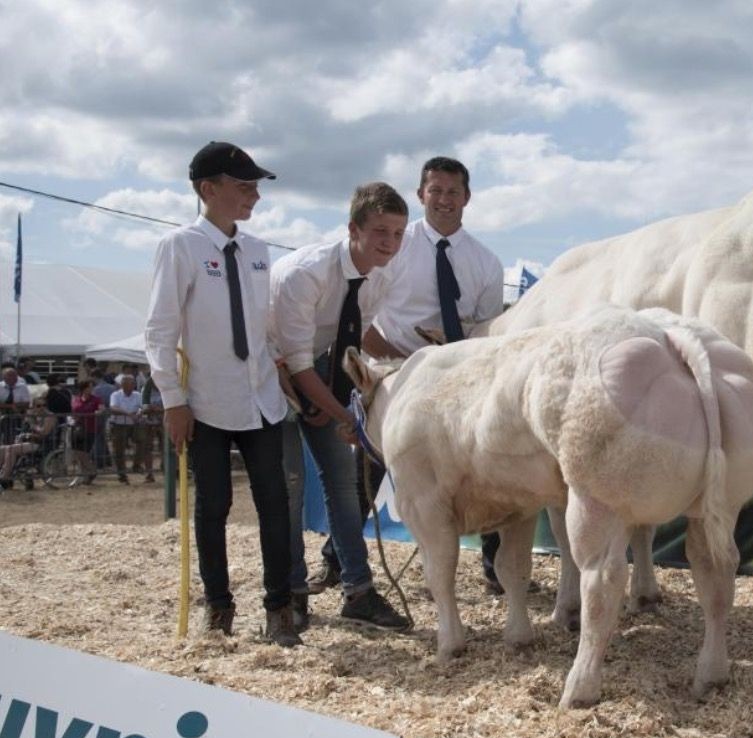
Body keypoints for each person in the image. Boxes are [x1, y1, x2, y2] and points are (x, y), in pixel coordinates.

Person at [145, 139, 300, 647]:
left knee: (275, 505)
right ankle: (219, 608)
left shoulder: (258, 251)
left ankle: (279, 609)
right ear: (207, 189)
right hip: (206, 400)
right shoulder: (181, 247)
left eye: (256, 186)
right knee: (213, 507)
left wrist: (280, 369)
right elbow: (160, 330)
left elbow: (263, 324)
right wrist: (172, 398)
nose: (254, 195)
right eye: (244, 186)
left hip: (260, 398)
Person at [361, 157, 508, 593]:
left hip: (459, 376)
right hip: (393, 372)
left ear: (467, 197)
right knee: (370, 466)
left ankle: (494, 564)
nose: (444, 200)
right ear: (421, 194)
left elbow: (487, 331)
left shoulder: (485, 262)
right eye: (436, 191)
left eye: (453, 192)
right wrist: (400, 362)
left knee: (487, 462)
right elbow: (361, 316)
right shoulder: (393, 248)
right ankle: (342, 559)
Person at [270, 181, 411, 631]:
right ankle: (290, 593)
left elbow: (357, 334)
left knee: (344, 484)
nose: (389, 243)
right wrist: (346, 415)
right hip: (268, 370)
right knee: (289, 487)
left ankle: (358, 590)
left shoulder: (382, 274)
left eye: (397, 234)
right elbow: (293, 363)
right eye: (380, 232)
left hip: (320, 364)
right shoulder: (305, 274)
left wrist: (406, 365)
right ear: (353, 228)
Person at [108, 373, 143, 484]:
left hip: (135, 424)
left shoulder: (138, 395)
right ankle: (122, 474)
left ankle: (136, 465)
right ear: (122, 385)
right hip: (119, 425)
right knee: (118, 450)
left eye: (132, 384)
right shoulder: (115, 395)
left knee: (142, 443)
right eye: (128, 384)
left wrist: (138, 413)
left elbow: (143, 406)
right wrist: (128, 414)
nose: (131, 386)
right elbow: (113, 407)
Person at [1, 365, 31, 446]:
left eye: (15, 375)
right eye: (10, 375)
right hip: (2, 416)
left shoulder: (22, 386)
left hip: (16, 417)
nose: (14, 377)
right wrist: (11, 406)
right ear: (4, 377)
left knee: (12, 439)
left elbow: (26, 403)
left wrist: (13, 405)